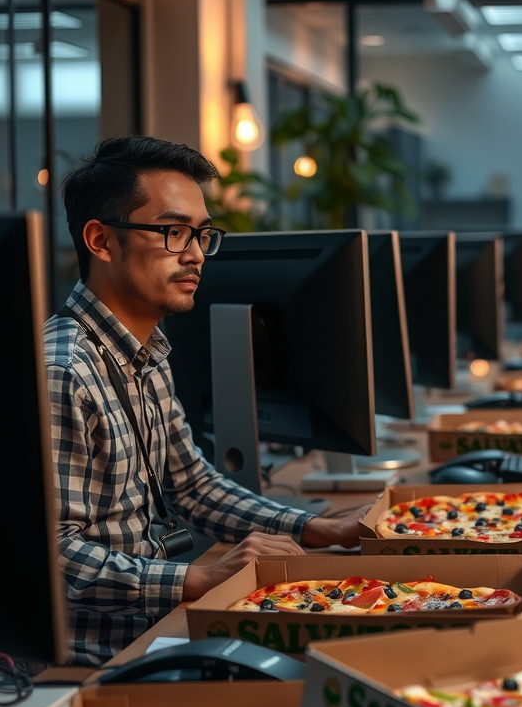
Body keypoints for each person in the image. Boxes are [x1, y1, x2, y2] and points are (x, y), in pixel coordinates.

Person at [45, 136, 365, 665]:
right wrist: (197, 577)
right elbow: (49, 553)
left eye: (203, 234)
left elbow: (191, 487)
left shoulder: (146, 348)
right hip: (90, 663)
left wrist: (316, 529)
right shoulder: (63, 372)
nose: (195, 254)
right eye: (173, 232)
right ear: (101, 241)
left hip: (156, 631)